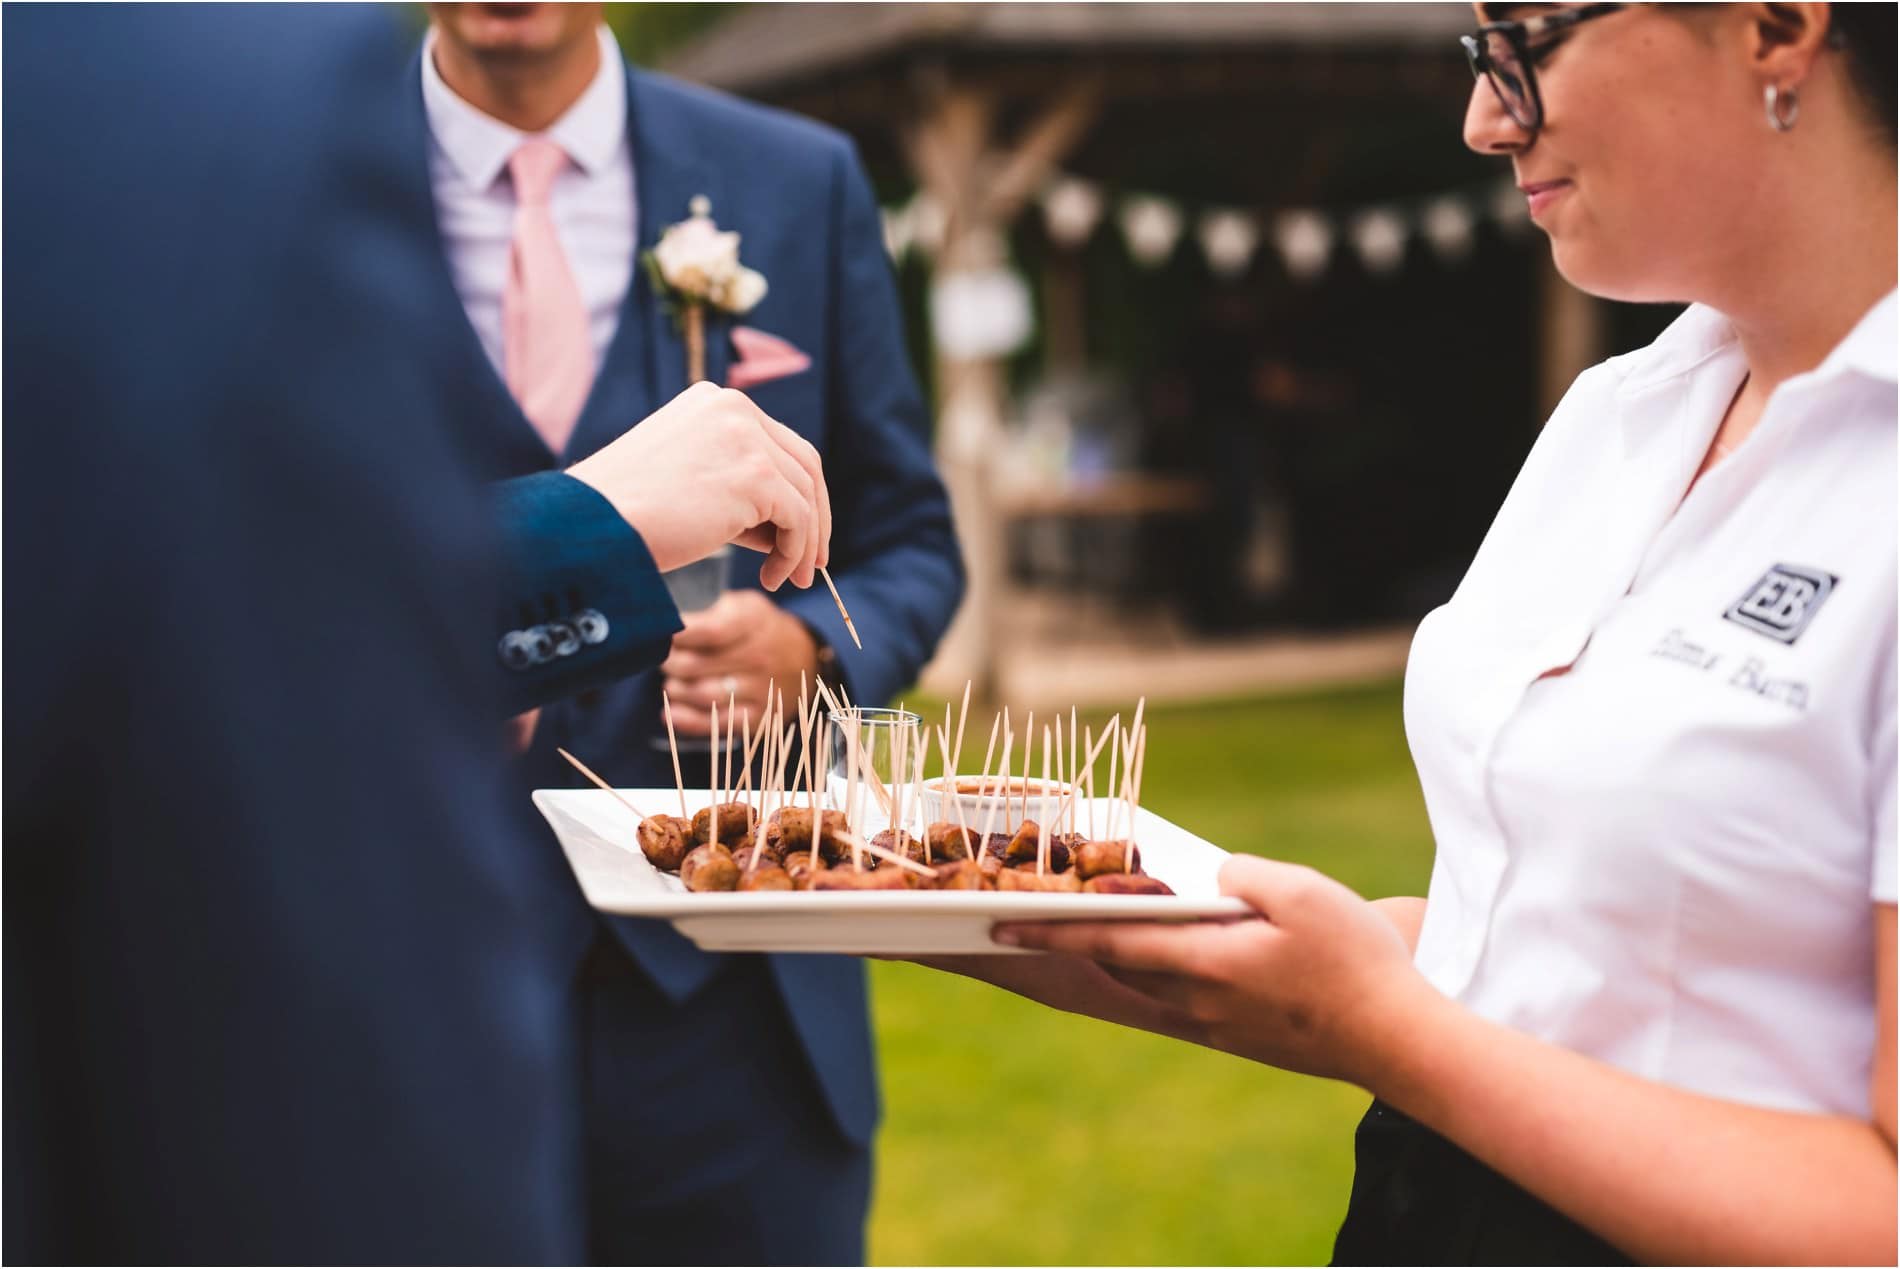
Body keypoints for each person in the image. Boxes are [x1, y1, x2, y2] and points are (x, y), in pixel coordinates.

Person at [943, 4, 1897, 1262]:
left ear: (1775, 27)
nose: (1483, 117)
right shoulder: (1624, 411)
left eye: (1524, 43)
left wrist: (1384, 1033)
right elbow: (1524, 953)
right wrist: (1027, 900)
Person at [2, 5, 832, 1261]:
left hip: (717, 1012)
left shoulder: (793, 171)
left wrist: (814, 642)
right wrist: (587, 529)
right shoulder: (237, 126)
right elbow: (241, 611)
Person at [400, 6, 964, 1263]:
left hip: (739, 999)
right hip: (403, 972)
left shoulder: (794, 178)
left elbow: (916, 541)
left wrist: (812, 641)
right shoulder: (299, 177)